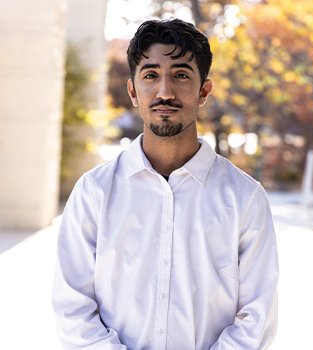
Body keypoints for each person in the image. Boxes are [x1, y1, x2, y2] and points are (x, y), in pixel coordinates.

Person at [53, 18, 279, 350]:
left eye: (181, 75)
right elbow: (72, 308)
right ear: (133, 91)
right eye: (150, 75)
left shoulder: (245, 198)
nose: (165, 92)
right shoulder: (94, 192)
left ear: (203, 91)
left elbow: (257, 316)